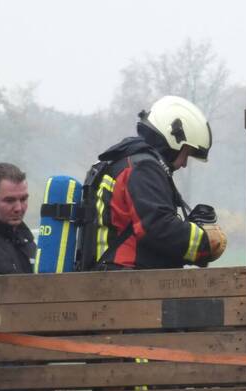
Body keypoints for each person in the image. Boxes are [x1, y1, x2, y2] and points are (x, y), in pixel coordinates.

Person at [78, 95, 226, 270]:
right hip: (128, 282)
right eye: (186, 153)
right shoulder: (144, 168)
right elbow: (157, 228)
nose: (184, 164)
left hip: (115, 277)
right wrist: (205, 241)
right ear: (174, 139)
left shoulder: (126, 161)